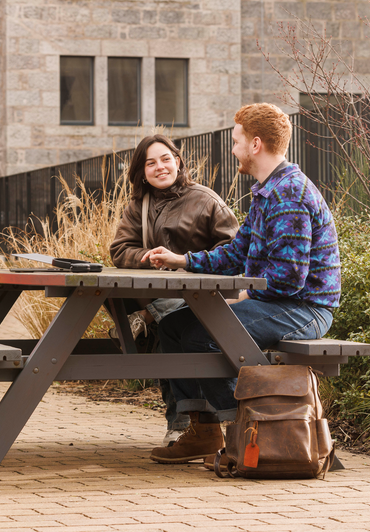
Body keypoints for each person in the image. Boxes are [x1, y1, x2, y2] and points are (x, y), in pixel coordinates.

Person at [142, 103, 341, 464]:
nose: (233, 149)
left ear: (255, 144)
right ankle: (203, 431)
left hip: (305, 309)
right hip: (278, 303)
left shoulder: (289, 194)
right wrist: (183, 260)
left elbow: (289, 279)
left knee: (203, 334)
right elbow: (236, 253)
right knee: (173, 327)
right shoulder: (267, 191)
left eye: (236, 142)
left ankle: (246, 432)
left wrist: (242, 295)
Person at [109, 134, 239, 445]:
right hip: (160, 295)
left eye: (166, 159)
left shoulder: (206, 200)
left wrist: (186, 264)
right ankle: (185, 427)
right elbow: (119, 250)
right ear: (142, 172)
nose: (160, 167)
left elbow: (234, 251)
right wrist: (149, 258)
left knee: (175, 326)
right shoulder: (138, 205)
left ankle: (187, 426)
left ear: (178, 161)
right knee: (170, 333)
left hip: (206, 299)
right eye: (150, 163)